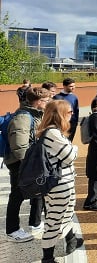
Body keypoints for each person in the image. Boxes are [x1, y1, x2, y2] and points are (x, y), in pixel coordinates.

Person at [5, 87, 51, 242]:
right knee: (17, 196)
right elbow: (19, 147)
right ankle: (12, 230)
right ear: (38, 101)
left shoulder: (33, 114)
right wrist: (31, 164)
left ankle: (35, 223)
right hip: (20, 164)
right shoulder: (23, 117)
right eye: (46, 100)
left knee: (35, 192)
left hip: (27, 162)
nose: (47, 103)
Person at [38, 100, 81, 263]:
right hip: (59, 185)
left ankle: (72, 240)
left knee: (65, 215)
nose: (72, 115)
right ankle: (47, 258)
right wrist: (74, 148)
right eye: (69, 112)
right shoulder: (52, 133)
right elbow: (70, 155)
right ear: (60, 114)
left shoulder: (54, 132)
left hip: (63, 182)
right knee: (54, 220)